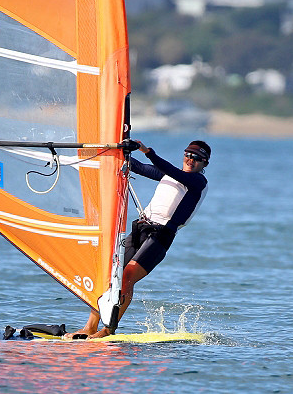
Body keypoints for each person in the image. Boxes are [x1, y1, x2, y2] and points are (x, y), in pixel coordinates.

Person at [64, 139, 211, 339]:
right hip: (141, 228)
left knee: (127, 277)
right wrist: (118, 151)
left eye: (197, 158)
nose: (190, 160)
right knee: (108, 277)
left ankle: (108, 329)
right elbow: (140, 167)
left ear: (205, 164)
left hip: (161, 236)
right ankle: (90, 327)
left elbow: (169, 169)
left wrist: (147, 151)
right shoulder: (169, 174)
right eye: (188, 155)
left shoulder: (198, 183)